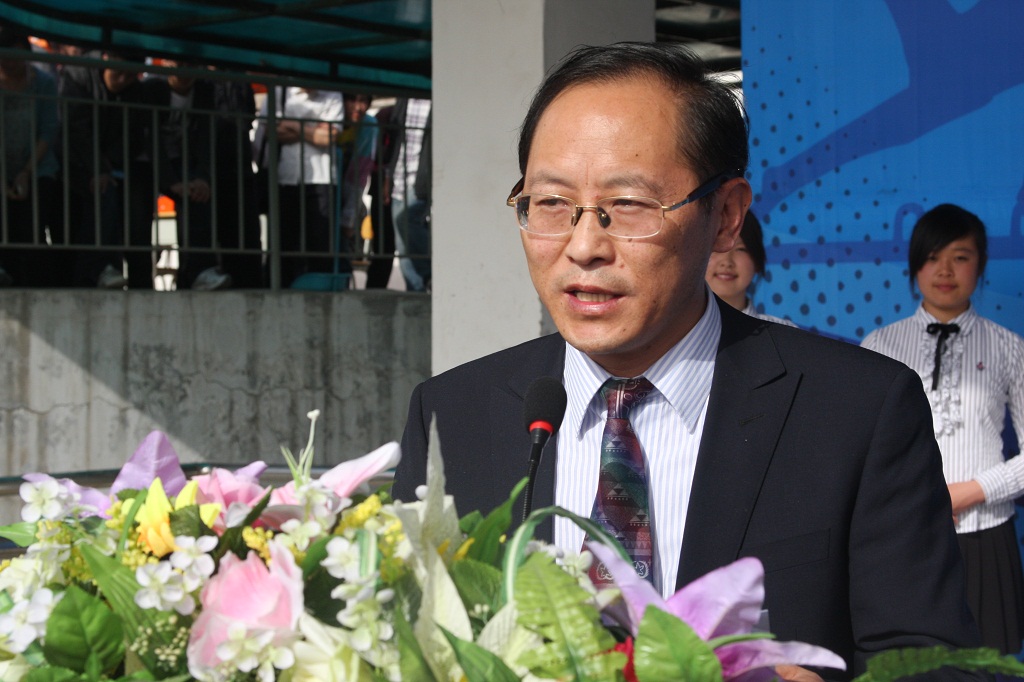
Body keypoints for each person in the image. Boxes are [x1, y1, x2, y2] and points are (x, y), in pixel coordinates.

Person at [393, 42, 981, 679]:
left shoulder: (858, 411)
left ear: (726, 216)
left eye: (630, 205)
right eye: (552, 204)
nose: (584, 246)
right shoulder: (450, 415)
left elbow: (939, 664)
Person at [861, 203, 1024, 655]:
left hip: (986, 533)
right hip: (904, 533)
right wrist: (919, 499)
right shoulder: (880, 345)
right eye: (933, 257)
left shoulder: (1009, 348)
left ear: (981, 265)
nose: (945, 270)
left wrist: (968, 492)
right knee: (908, 666)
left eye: (960, 256)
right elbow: (861, 450)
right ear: (915, 266)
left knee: (987, 667)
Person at [59, 50, 166, 289]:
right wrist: (98, 168)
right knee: (103, 195)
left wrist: (107, 166)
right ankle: (98, 268)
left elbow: (131, 136)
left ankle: (125, 274)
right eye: (119, 72)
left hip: (112, 165)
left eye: (130, 75)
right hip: (72, 161)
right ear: (106, 60)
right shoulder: (78, 76)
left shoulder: (135, 92)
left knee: (131, 202)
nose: (122, 80)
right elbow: (75, 130)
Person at [253, 86, 343, 287]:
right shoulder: (278, 91)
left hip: (321, 177)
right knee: (284, 246)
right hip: (285, 177)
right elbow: (271, 131)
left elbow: (329, 137)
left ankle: (319, 292)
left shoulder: (332, 93)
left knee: (320, 248)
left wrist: (292, 124)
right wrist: (313, 129)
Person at [0, 26, 65, 287]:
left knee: (31, 227)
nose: (9, 63)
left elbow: (48, 130)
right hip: (3, 166)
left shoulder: (43, 82)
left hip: (38, 167)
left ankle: (33, 284)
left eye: (15, 56)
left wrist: (26, 172)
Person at [706, 211, 796, 326]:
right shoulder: (682, 332)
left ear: (757, 262)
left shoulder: (784, 332)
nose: (726, 262)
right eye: (716, 248)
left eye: (741, 249)